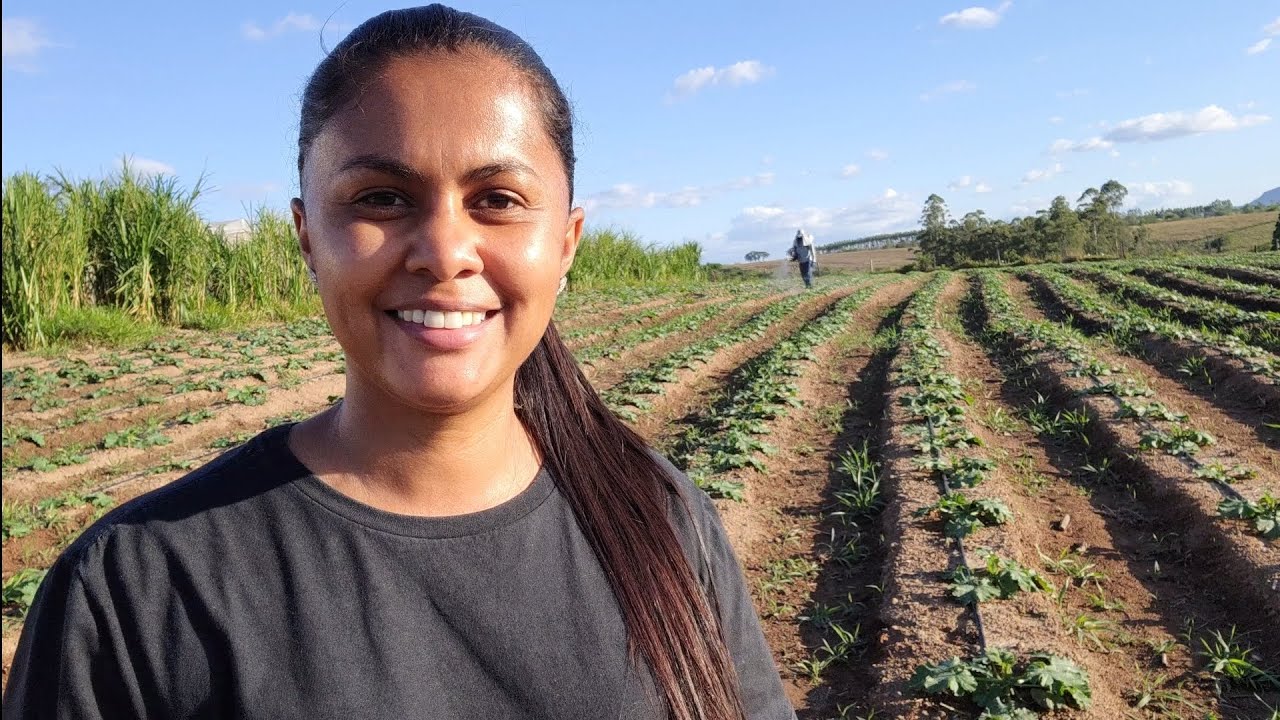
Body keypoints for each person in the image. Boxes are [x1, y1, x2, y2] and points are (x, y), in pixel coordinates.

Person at [2, 5, 796, 720]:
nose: (446, 252)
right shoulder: (135, 592)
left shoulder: (660, 520)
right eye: (382, 198)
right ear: (308, 236)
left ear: (567, 242)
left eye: (498, 199)